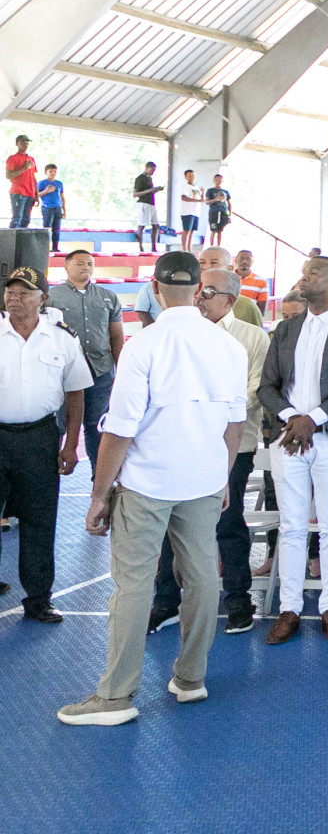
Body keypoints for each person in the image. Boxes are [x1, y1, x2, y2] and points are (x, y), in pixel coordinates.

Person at [58, 252, 246, 727]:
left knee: (133, 585)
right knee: (202, 577)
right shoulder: (229, 347)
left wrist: (99, 495)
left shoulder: (144, 344)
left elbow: (120, 428)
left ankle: (116, 696)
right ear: (199, 289)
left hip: (148, 482)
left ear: (156, 290)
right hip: (204, 480)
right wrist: (223, 476)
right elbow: (234, 423)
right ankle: (191, 678)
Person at [256, 254, 328, 645]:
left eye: (313, 273)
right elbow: (267, 387)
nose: (304, 277)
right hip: (290, 437)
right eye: (304, 272)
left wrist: (314, 419)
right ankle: (289, 609)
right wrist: (294, 418)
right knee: (291, 525)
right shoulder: (287, 328)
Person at [150, 268, 269, 634]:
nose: (200, 297)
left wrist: (206, 410)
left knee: (228, 521)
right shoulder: (180, 332)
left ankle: (238, 600)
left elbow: (254, 391)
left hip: (232, 444)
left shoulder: (252, 337)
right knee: (170, 519)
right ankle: (166, 601)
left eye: (209, 291)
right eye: (200, 290)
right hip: (182, 441)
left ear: (230, 300)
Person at [0, 266, 89, 623]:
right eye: (10, 291)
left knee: (39, 520)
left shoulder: (61, 339)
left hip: (40, 438)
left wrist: (70, 445)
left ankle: (38, 599)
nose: (14, 298)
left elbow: (76, 393)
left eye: (24, 292)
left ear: (43, 299)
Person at [46, 249, 125, 471]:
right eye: (80, 263)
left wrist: (121, 370)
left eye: (90, 263)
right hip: (63, 373)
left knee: (97, 424)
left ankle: (99, 476)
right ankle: (50, 473)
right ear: (66, 267)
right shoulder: (51, 297)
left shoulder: (108, 297)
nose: (86, 267)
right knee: (58, 425)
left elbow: (116, 336)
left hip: (100, 370)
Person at [132, 161, 163, 253]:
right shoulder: (140, 178)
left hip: (151, 203)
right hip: (143, 203)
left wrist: (155, 190)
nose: (152, 172)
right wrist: (150, 190)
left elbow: (149, 192)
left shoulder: (149, 179)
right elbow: (135, 194)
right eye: (151, 170)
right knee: (142, 225)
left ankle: (153, 247)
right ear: (146, 168)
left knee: (155, 225)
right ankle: (140, 247)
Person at [5, 135, 35, 229]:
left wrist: (36, 194)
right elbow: (9, 175)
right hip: (18, 192)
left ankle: (21, 238)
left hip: (30, 193)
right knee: (17, 219)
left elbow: (33, 177)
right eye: (22, 142)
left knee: (26, 220)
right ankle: (9, 238)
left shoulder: (31, 159)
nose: (25, 145)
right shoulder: (12, 158)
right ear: (17, 144)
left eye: (26, 143)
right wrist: (24, 168)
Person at [35, 162, 63, 249]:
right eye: (50, 171)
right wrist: (46, 191)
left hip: (57, 208)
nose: (52, 173)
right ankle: (44, 247)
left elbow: (62, 196)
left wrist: (64, 210)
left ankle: (55, 247)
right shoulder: (42, 183)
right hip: (47, 208)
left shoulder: (59, 183)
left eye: (54, 171)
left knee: (56, 229)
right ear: (46, 172)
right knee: (46, 229)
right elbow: (36, 195)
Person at [177, 170, 204, 251]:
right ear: (185, 177)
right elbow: (183, 197)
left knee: (192, 231)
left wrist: (202, 193)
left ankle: (189, 249)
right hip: (187, 212)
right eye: (189, 176)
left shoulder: (196, 187)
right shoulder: (185, 187)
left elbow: (200, 199)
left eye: (192, 176)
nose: (191, 177)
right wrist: (196, 201)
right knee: (186, 230)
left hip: (196, 212)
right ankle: (184, 249)